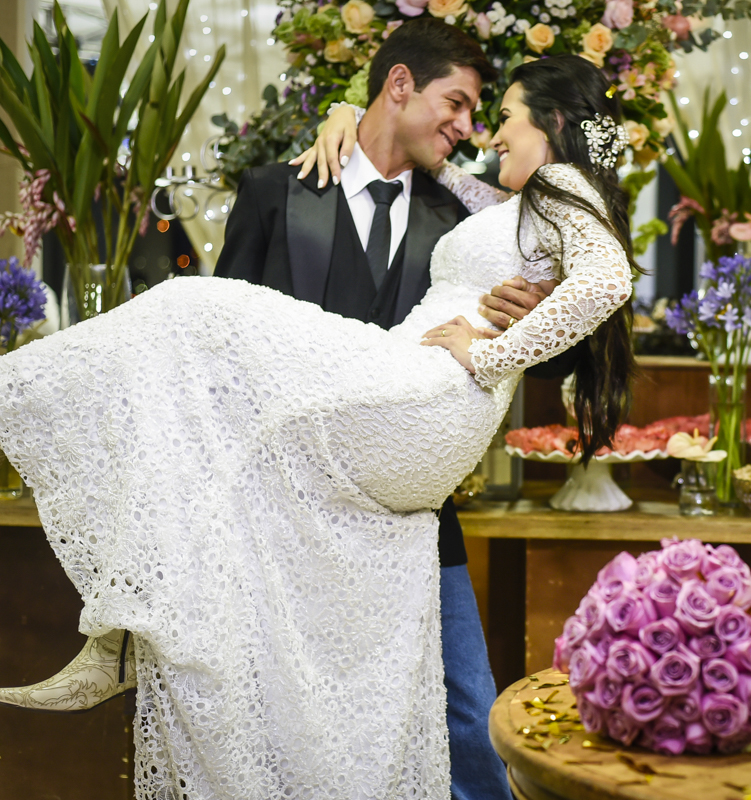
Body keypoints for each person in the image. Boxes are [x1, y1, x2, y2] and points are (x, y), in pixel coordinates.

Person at [0, 52, 636, 800]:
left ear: (553, 125)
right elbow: (449, 178)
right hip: (406, 408)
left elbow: (608, 279)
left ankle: (27, 420)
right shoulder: (510, 203)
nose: (487, 133)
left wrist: (493, 352)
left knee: (191, 308)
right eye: (469, 109)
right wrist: (347, 113)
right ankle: (125, 627)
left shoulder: (559, 184)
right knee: (202, 399)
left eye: (503, 116)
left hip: (423, 391)